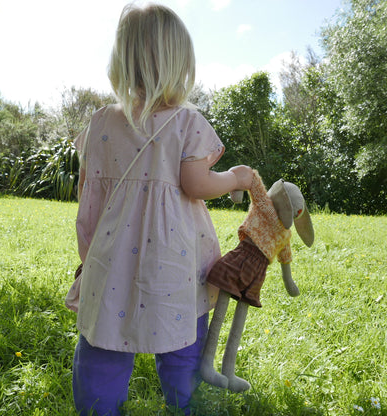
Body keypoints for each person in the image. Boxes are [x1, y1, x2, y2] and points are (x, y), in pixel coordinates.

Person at [70, 3, 253, 415]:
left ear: (121, 62)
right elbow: (196, 183)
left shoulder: (100, 124)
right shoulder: (187, 123)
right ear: (179, 65)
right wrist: (236, 179)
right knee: (182, 340)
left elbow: (90, 199)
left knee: (104, 344)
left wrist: (90, 258)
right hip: (174, 265)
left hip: (111, 264)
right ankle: (185, 405)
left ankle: (98, 408)